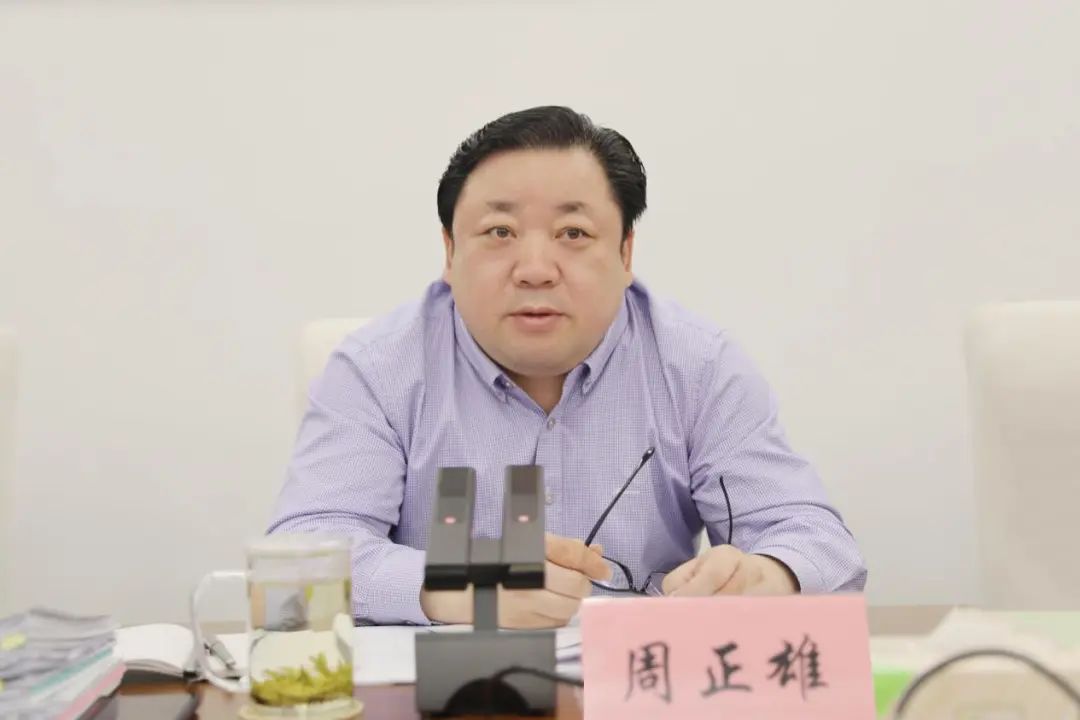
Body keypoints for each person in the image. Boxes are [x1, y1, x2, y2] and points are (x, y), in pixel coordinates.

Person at [269, 106, 866, 628]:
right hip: (444, 690)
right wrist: (462, 588)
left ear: (626, 252)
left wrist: (766, 575)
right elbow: (298, 561)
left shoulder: (698, 366)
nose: (535, 268)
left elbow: (818, 543)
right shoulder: (377, 370)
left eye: (573, 232)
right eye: (499, 231)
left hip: (638, 687)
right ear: (449, 252)